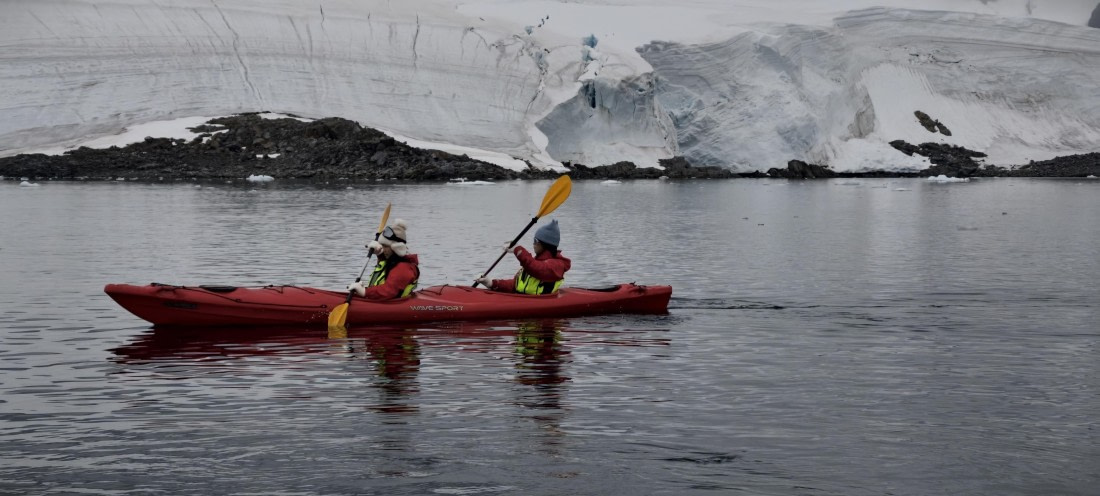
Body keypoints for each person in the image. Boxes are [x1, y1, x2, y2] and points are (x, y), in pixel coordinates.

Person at [476, 219, 571, 295]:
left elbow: (537, 269)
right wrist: (492, 283)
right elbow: (515, 285)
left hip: (539, 304)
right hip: (524, 299)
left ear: (544, 244)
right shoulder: (534, 262)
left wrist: (518, 249)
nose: (533, 244)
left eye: (535, 240)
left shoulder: (557, 265)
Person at [347, 219, 420, 300]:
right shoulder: (392, 261)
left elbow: (388, 291)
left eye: (385, 246)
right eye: (381, 245)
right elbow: (386, 270)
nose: (382, 248)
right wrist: (379, 254)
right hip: (382, 302)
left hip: (393, 305)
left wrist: (365, 291)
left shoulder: (404, 268)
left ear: (396, 248)